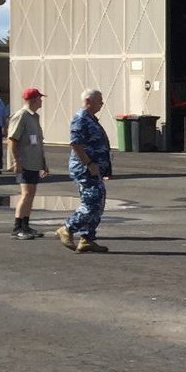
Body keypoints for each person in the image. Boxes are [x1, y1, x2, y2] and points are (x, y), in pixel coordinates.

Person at [57, 88, 112, 254]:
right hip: (85, 169)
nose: (102, 103)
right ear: (88, 101)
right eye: (99, 100)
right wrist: (88, 163)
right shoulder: (81, 118)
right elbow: (75, 144)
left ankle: (87, 239)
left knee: (99, 202)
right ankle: (67, 228)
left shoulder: (91, 119)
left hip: (95, 169)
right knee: (91, 203)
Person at [5, 88, 51, 239]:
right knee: (25, 194)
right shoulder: (22, 116)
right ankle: (17, 228)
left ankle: (26, 225)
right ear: (33, 100)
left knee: (31, 194)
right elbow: (12, 140)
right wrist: (16, 161)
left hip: (33, 162)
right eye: (39, 98)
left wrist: (43, 163)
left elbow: (37, 142)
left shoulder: (34, 117)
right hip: (24, 162)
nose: (41, 101)